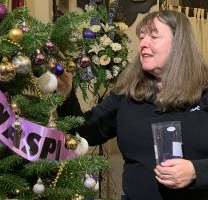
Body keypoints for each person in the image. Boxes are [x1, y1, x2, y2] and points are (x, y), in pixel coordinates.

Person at [56, 10, 208, 200]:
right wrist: (66, 94)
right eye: (142, 37)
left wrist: (196, 171)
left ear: (179, 44)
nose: (143, 44)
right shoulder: (127, 94)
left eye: (153, 36)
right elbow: (84, 132)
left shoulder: (204, 92)